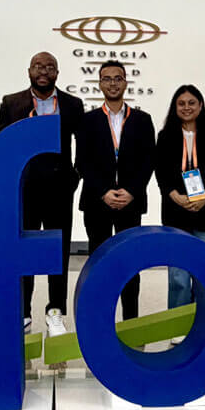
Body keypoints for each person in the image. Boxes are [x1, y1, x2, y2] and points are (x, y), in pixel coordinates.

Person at [0, 52, 84, 338]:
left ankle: (55, 312)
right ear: (29, 70)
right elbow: (0, 144)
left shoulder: (72, 104)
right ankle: (23, 312)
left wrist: (74, 177)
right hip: (25, 191)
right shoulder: (12, 103)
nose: (43, 71)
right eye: (38, 66)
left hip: (59, 191)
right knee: (25, 252)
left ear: (57, 73)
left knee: (58, 252)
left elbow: (84, 146)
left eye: (49, 67)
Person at [76, 60, 156, 320]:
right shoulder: (88, 120)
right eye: (107, 78)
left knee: (129, 263)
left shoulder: (143, 120)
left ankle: (130, 320)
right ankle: (99, 318)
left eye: (117, 78)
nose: (112, 83)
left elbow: (148, 161)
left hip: (130, 204)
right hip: (97, 202)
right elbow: (82, 162)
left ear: (125, 82)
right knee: (99, 262)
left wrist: (131, 191)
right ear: (99, 83)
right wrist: (103, 192)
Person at [155, 85, 205, 313]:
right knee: (178, 277)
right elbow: (161, 172)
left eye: (191, 103)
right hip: (176, 213)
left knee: (204, 274)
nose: (187, 107)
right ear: (175, 107)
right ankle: (176, 329)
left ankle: (204, 325)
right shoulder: (165, 136)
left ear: (201, 105)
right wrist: (175, 196)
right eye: (181, 103)